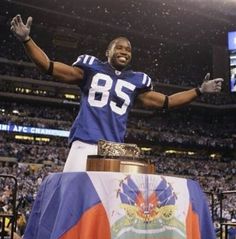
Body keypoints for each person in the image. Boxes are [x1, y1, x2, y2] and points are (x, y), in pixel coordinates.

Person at [10, 15, 223, 172]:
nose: (124, 52)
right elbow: (49, 66)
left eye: (128, 50)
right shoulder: (90, 68)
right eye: (119, 48)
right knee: (74, 197)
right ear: (108, 52)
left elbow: (166, 101)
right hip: (84, 142)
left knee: (107, 207)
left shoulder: (136, 80)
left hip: (115, 149)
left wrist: (199, 91)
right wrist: (27, 41)